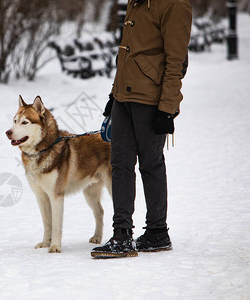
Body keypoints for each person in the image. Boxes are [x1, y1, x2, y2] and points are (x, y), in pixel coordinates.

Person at [91, 0, 192, 258]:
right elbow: (127, 54)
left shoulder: (174, 4)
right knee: (120, 164)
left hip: (151, 100)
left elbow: (176, 61)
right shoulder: (136, 2)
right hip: (124, 99)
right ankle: (121, 234)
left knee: (151, 164)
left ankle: (157, 232)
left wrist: (168, 107)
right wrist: (114, 95)